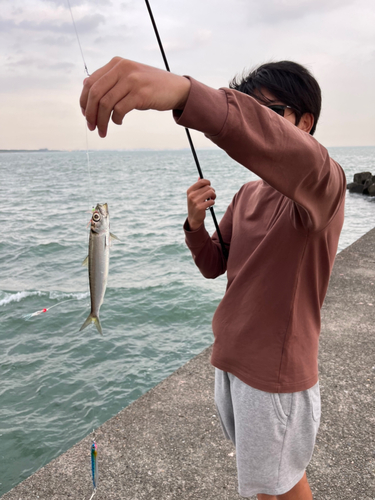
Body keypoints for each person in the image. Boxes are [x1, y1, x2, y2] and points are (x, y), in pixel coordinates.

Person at [80, 58, 346, 499]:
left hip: (273, 376)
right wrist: (195, 225)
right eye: (249, 109)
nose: (258, 122)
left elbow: (283, 148)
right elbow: (214, 265)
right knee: (273, 482)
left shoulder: (325, 184)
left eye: (268, 113)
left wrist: (185, 93)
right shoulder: (248, 194)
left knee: (277, 486)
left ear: (305, 121)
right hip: (232, 362)